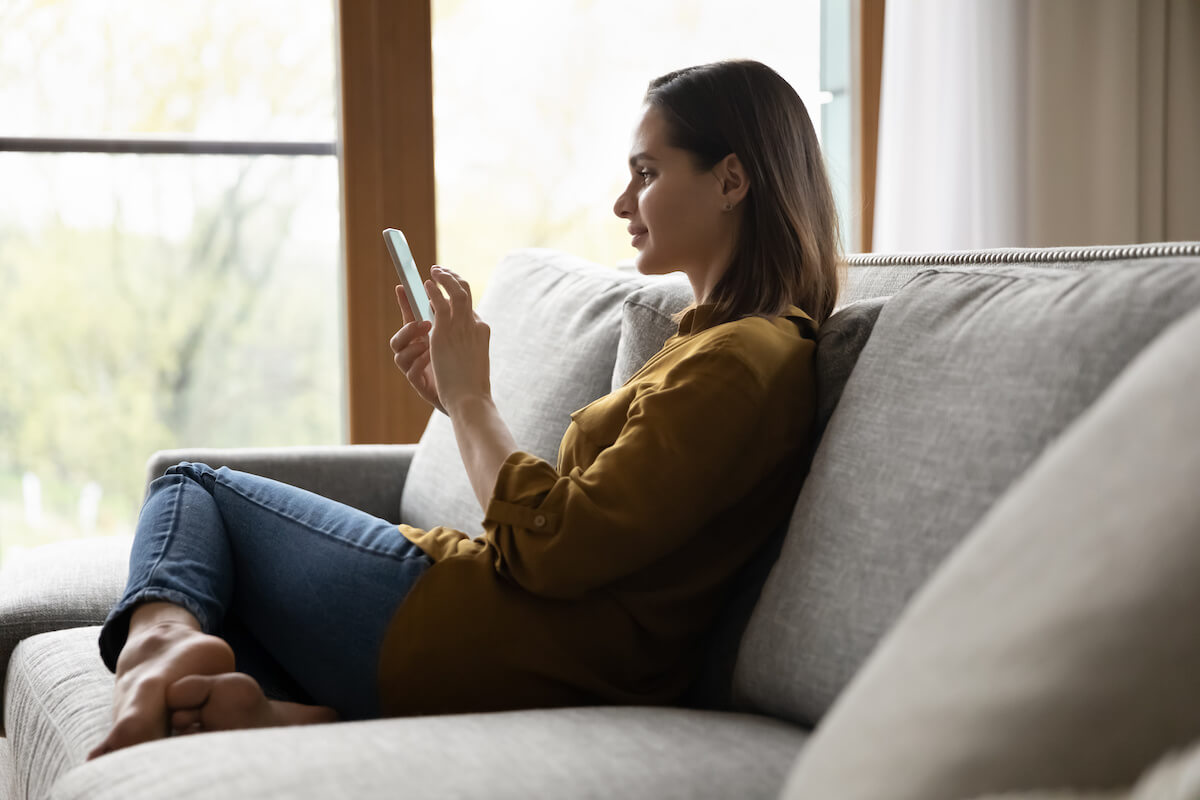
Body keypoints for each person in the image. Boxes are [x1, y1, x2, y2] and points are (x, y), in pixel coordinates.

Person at [87, 59, 842, 760]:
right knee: (206, 593)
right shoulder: (715, 350)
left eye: (646, 173)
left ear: (732, 180)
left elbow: (551, 546)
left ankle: (150, 656)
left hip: (493, 641)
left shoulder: (741, 362)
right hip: (533, 652)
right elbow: (598, 527)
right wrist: (456, 401)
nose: (621, 202)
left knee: (191, 485)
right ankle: (280, 713)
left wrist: (475, 395)